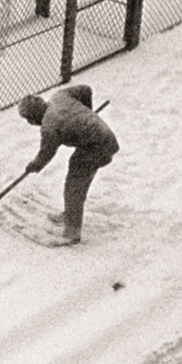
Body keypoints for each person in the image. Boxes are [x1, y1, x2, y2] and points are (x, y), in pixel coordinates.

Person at [17, 84, 118, 246]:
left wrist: (33, 166)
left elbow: (46, 154)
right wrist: (86, 114)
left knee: (74, 185)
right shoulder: (59, 96)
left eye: (28, 118)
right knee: (77, 172)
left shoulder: (49, 126)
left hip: (98, 146)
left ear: (34, 116)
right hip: (101, 138)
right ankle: (71, 213)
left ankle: (72, 233)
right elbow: (86, 90)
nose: (29, 123)